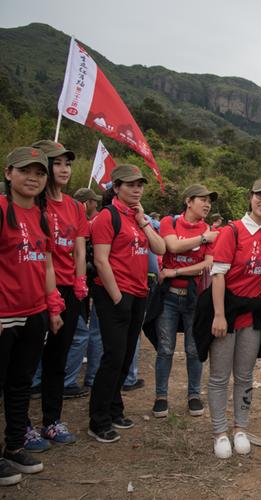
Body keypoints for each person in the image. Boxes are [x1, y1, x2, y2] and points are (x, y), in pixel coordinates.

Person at [89, 164, 166, 443]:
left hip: (138, 294)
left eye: (140, 185)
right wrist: (117, 297)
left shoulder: (136, 218)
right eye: (130, 185)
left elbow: (160, 249)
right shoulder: (107, 217)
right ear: (116, 187)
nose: (136, 189)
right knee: (113, 356)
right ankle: (98, 419)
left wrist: (144, 219)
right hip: (115, 294)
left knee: (125, 355)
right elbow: (100, 259)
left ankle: (114, 407)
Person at [1, 147, 64, 485]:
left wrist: (52, 306)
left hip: (34, 314)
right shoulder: (1, 208)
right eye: (26, 171)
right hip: (3, 316)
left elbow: (47, 263)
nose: (33, 178)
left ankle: (13, 447)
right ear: (9, 173)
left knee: (20, 384)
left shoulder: (39, 216)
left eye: (39, 173)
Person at [208, 177, 261, 459]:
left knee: (244, 375)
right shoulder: (233, 231)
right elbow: (218, 275)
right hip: (226, 313)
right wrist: (218, 315)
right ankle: (219, 432)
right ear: (250, 197)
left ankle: (240, 427)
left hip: (253, 318)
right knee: (218, 376)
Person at [22, 140, 89, 449]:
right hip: (36, 288)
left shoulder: (76, 206)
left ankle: (51, 421)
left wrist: (79, 282)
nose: (64, 169)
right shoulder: (32, 203)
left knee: (58, 357)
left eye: (68, 164)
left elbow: (78, 248)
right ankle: (21, 424)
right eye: (57, 163)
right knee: (26, 358)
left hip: (69, 290)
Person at [152, 185, 219, 418]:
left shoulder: (209, 229)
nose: (207, 204)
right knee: (165, 348)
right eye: (203, 199)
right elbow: (172, 246)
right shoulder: (170, 222)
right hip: (168, 297)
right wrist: (201, 238)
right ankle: (161, 396)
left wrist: (176, 272)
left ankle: (194, 395)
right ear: (188, 201)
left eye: (210, 201)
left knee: (193, 349)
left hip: (194, 297)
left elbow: (207, 263)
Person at [62, 188, 103, 399]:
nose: (96, 204)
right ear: (86, 203)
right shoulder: (80, 224)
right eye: (93, 202)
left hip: (76, 284)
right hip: (65, 285)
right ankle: (66, 381)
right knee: (79, 334)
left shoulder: (83, 223)